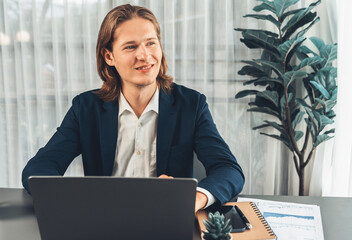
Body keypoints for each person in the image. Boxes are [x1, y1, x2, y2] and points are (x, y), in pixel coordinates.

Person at [22, 4, 245, 212]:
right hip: (104, 219)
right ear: (109, 56)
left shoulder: (191, 105)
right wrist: (76, 200)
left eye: (150, 43)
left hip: (167, 219)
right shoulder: (86, 108)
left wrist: (194, 198)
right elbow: (39, 169)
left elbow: (228, 169)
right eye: (130, 47)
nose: (144, 55)